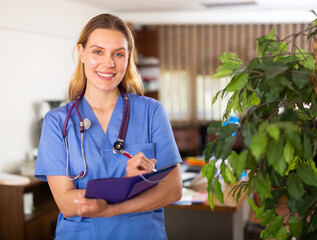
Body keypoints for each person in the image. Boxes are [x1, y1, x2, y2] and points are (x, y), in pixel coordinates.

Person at [34, 13, 182, 239]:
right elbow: (67, 203)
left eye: (118, 54)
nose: (108, 63)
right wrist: (127, 184)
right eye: (97, 51)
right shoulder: (57, 122)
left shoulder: (152, 111)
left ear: (128, 57)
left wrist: (112, 208)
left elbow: (173, 188)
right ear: (81, 53)